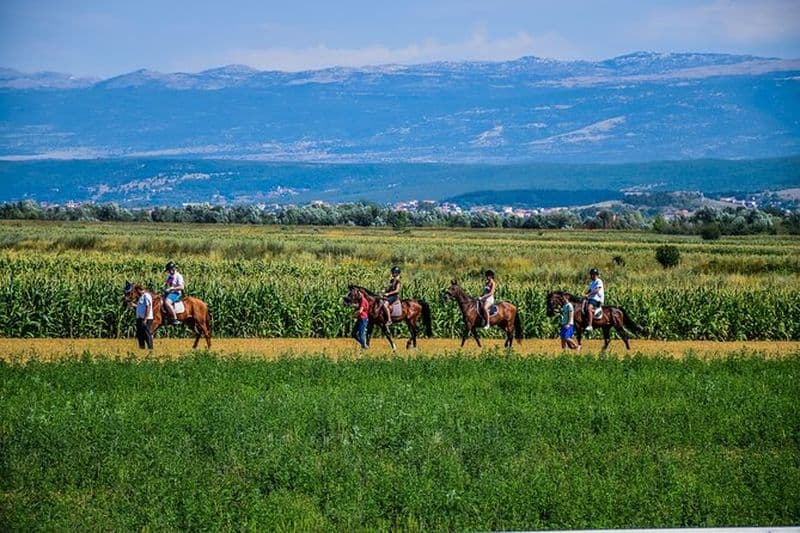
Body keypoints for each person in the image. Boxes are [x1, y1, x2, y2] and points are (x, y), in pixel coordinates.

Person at [163, 261, 184, 326]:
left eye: (169, 270)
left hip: (176, 293)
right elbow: (167, 284)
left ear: (173, 269)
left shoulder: (178, 276)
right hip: (169, 293)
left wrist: (171, 289)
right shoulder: (169, 276)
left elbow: (182, 287)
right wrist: (164, 288)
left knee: (167, 302)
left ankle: (175, 319)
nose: (168, 272)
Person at [585, 267, 604, 332]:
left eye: (592, 274)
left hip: (597, 299)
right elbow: (590, 290)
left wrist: (588, 295)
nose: (591, 276)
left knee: (589, 308)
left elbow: (597, 290)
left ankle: (590, 325)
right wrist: (585, 295)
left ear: (596, 275)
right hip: (591, 298)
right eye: (591, 274)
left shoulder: (599, 281)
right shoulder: (592, 283)